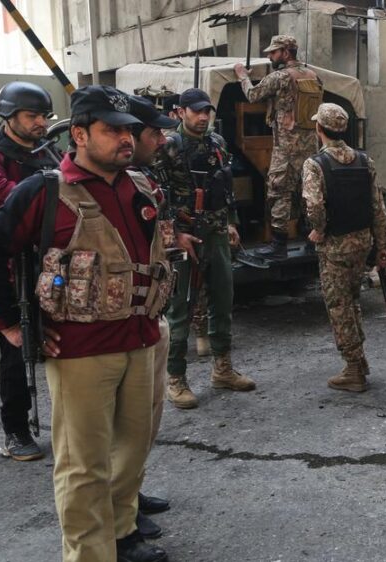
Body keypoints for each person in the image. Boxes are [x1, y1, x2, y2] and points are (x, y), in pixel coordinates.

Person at [0, 85, 171, 562]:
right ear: (79, 134)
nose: (125, 139)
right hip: (81, 350)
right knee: (83, 465)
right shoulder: (44, 190)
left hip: (140, 340)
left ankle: (122, 535)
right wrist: (12, 325)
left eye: (127, 130)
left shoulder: (138, 185)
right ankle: (90, 554)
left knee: (132, 447)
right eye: (111, 130)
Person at [0, 82, 60, 462]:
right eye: (32, 116)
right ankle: (16, 430)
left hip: (52, 261)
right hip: (12, 264)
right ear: (9, 117)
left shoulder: (49, 153)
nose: (40, 123)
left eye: (44, 116)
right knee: (16, 346)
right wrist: (45, 193)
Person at [156, 88, 256, 410]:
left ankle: (222, 369)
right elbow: (156, 195)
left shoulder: (217, 143)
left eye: (206, 112)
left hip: (215, 232)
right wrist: (174, 235)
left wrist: (231, 223)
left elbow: (225, 188)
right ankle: (176, 378)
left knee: (223, 299)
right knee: (180, 308)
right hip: (184, 237)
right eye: (196, 111)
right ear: (181, 111)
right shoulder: (168, 146)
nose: (203, 117)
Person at [301, 103, 386, 391]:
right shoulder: (364, 161)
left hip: (335, 246)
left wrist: (318, 228)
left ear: (319, 129)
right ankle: (359, 360)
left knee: (339, 307)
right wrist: (381, 246)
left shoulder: (315, 164)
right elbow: (379, 208)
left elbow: (314, 204)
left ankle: (353, 369)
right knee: (352, 302)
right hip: (362, 242)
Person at [127, 94, 183, 539]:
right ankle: (120, 517)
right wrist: (10, 323)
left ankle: (130, 491)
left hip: (151, 312)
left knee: (145, 417)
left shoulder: (143, 176)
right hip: (113, 325)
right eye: (154, 133)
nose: (162, 140)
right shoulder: (75, 185)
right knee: (117, 426)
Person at [234, 34, 323, 260]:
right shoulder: (314, 76)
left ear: (285, 52)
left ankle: (279, 245)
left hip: (285, 148)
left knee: (278, 191)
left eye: (273, 52)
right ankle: (312, 241)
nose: (270, 56)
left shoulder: (280, 77)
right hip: (310, 147)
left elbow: (253, 95)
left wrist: (243, 76)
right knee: (309, 194)